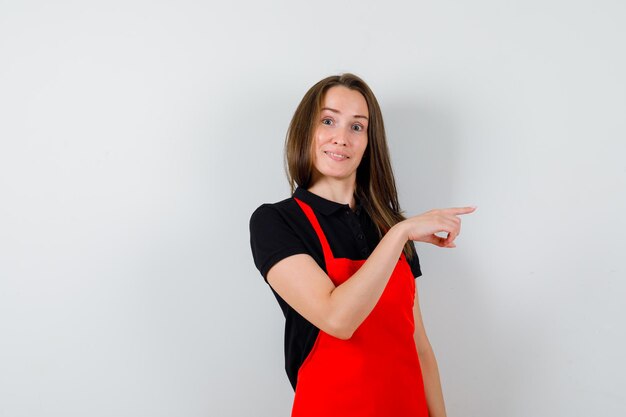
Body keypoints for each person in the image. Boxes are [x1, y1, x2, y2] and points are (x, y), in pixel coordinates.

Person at [249, 73, 476, 417]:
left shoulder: (388, 224)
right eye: (328, 121)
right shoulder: (276, 222)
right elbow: (337, 319)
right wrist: (399, 235)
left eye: (357, 127)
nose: (342, 138)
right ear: (305, 131)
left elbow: (419, 346)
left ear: (370, 141)